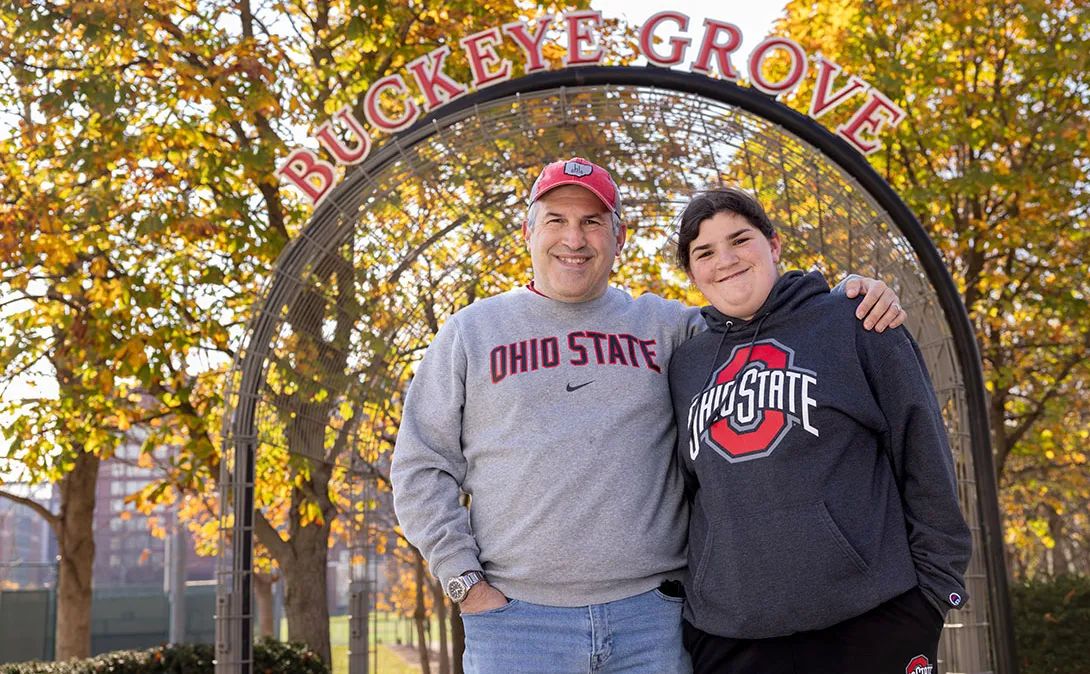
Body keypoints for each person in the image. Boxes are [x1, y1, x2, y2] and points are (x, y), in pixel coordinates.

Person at [390, 159, 907, 674]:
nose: (575, 238)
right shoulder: (470, 333)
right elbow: (420, 468)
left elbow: (759, 314)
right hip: (519, 625)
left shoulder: (669, 327)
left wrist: (846, 296)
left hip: (652, 622)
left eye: (593, 222)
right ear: (528, 230)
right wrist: (466, 584)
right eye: (556, 220)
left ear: (619, 238)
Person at [667, 187, 972, 674]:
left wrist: (934, 591)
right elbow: (686, 493)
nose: (724, 260)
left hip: (873, 620)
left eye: (739, 240)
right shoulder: (685, 364)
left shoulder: (857, 319)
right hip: (733, 637)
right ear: (692, 272)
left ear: (774, 244)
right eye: (704, 252)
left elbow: (923, 453)